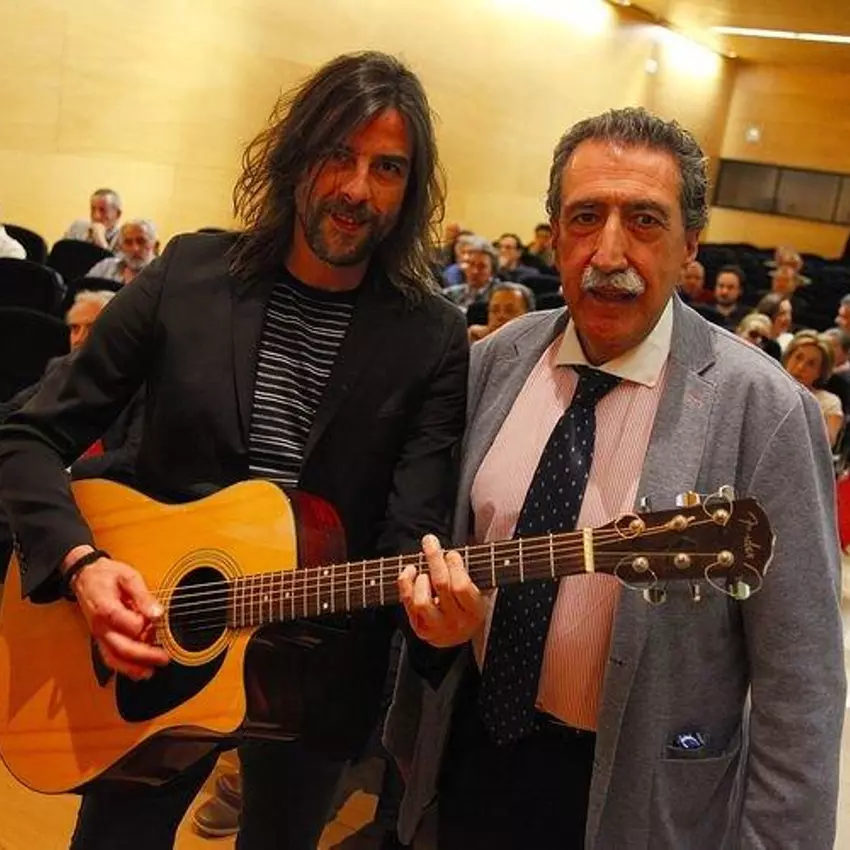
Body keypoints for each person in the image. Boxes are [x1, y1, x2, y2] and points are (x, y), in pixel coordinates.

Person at [0, 51, 467, 850]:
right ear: (295, 156)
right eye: (338, 154)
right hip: (145, 648)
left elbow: (410, 532)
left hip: (314, 676)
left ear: (410, 188)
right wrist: (81, 564)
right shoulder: (190, 274)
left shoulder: (432, 336)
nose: (357, 189)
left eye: (387, 168)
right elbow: (29, 433)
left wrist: (436, 617)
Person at [387, 106, 844, 850]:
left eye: (644, 220)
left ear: (690, 243)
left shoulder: (764, 411)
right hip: (474, 759)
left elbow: (803, 684)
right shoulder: (496, 361)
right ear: (555, 233)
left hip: (641, 801)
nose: (608, 251)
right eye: (585, 216)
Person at [783, 330, 844, 448]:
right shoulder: (768, 388)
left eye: (811, 364)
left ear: (820, 372)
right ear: (788, 358)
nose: (800, 367)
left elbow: (828, 443)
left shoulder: (829, 402)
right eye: (798, 357)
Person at [86, 220, 159, 285]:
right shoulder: (105, 267)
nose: (135, 248)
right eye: (128, 242)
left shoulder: (162, 276)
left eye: (141, 241)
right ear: (121, 247)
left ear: (155, 246)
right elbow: (83, 289)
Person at [443, 236, 499, 311]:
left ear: (492, 270)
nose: (475, 271)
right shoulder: (450, 294)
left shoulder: (500, 296)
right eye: (471, 264)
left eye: (482, 266)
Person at [468, 282, 535, 342]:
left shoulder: (537, 345)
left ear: (528, 315)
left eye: (510, 310)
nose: (501, 316)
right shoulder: (478, 339)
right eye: (494, 310)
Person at [703, 264, 749, 330]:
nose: (724, 292)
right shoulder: (703, 313)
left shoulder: (747, 316)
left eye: (730, 287)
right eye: (721, 286)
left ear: (740, 290)